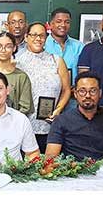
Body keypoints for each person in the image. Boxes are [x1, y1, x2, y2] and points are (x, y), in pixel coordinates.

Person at [45, 71, 103, 164]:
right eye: (82, 91)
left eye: (93, 91)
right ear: (75, 94)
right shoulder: (61, 121)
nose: (87, 95)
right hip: (73, 173)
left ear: (100, 93)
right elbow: (50, 159)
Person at [15, 22, 71, 152]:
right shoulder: (17, 62)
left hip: (51, 125)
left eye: (42, 35)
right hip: (24, 124)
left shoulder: (57, 60)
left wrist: (58, 109)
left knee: (48, 167)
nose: (38, 38)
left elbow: (66, 90)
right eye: (34, 35)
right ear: (26, 37)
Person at [44, 7, 84, 93]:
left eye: (67, 22)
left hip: (73, 99)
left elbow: (83, 74)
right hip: (48, 97)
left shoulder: (79, 46)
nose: (63, 25)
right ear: (51, 24)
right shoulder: (42, 45)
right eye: (59, 21)